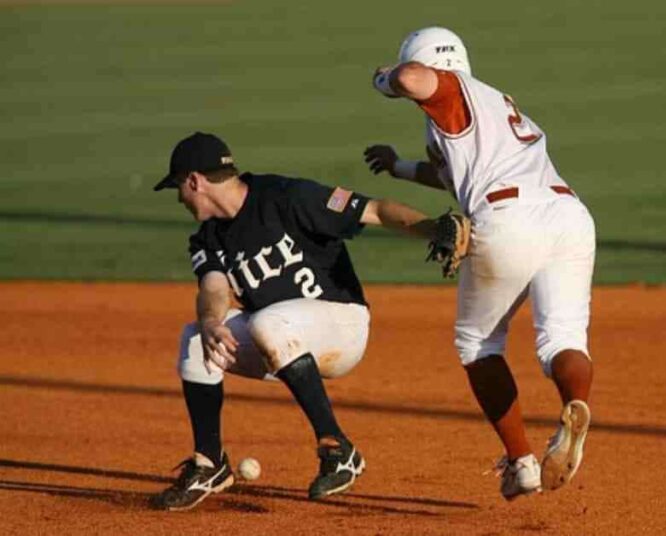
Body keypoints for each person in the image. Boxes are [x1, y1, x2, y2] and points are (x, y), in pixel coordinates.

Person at [150, 131, 457, 511]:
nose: (179, 197)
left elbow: (374, 209)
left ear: (194, 180)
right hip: (283, 338)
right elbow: (213, 288)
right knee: (197, 339)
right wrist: (213, 322)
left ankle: (336, 449)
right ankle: (209, 464)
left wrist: (433, 229)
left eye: (178, 186)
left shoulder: (286, 196)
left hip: (342, 325)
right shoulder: (207, 239)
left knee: (266, 323)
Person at [363, 27, 596, 501]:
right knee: (563, 339)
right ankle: (576, 404)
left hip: (509, 222)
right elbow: (453, 174)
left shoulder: (449, 87)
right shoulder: (493, 106)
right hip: (569, 215)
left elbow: (410, 78)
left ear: (434, 64)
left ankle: (522, 463)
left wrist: (383, 78)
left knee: (477, 344)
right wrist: (398, 166)